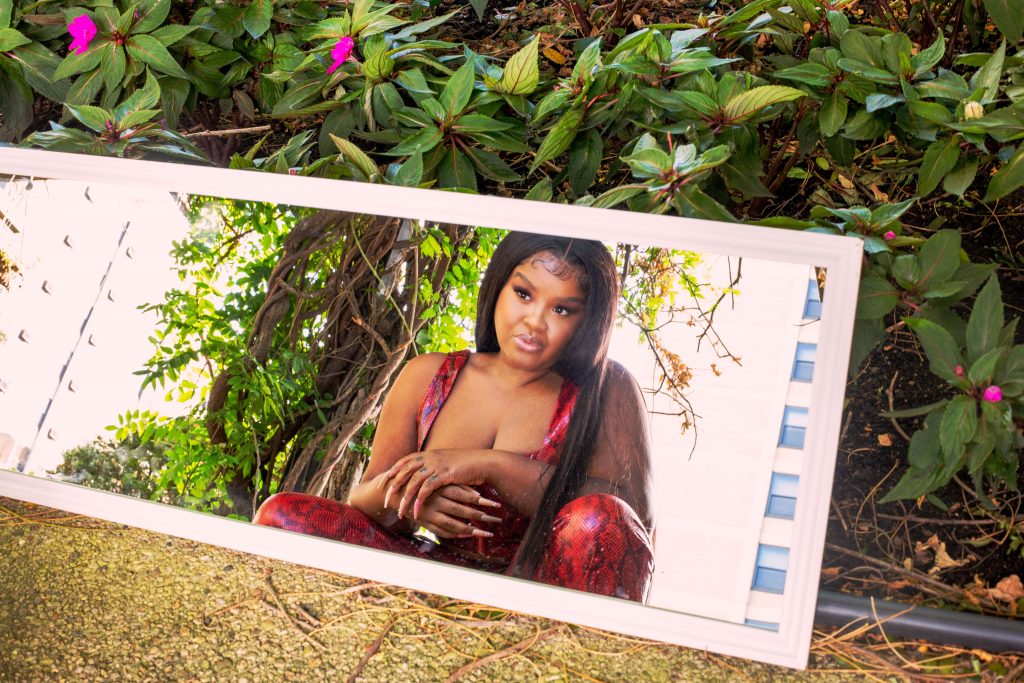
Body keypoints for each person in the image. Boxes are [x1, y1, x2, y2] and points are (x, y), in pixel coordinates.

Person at [253, 232, 656, 601]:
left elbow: (627, 520)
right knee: (282, 514)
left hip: (541, 592)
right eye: (523, 294)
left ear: (588, 321)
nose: (535, 322)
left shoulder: (606, 389)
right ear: (498, 287)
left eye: (564, 309)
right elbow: (365, 498)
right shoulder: (429, 375)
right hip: (434, 573)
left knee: (599, 521)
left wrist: (489, 464)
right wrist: (413, 501)